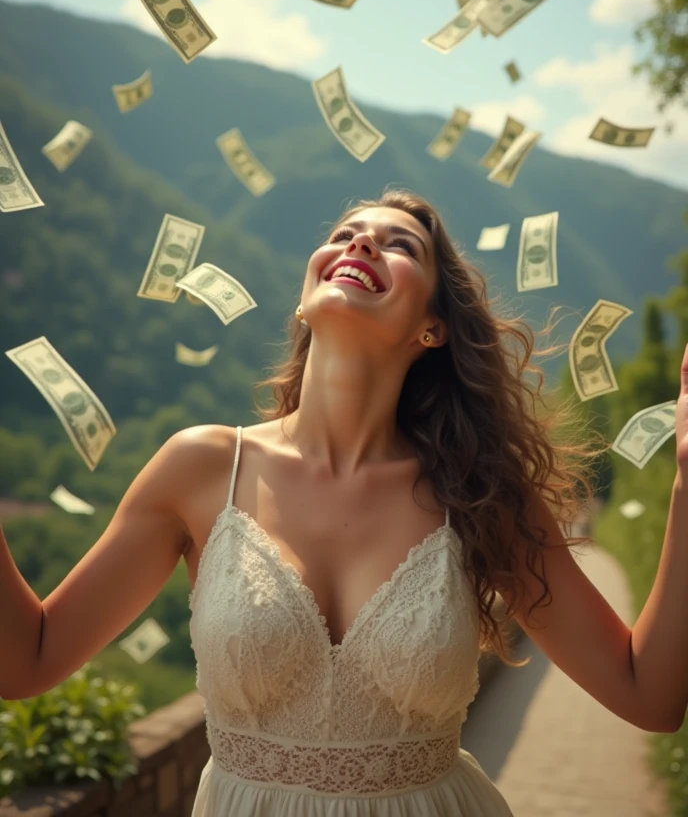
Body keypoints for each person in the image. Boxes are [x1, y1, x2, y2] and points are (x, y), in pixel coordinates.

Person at [2, 188, 685, 816]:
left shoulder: (480, 494)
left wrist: (684, 480)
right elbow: (26, 660)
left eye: (400, 245)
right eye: (346, 233)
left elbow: (647, 694)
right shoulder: (202, 467)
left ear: (434, 326)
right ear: (305, 296)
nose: (360, 244)